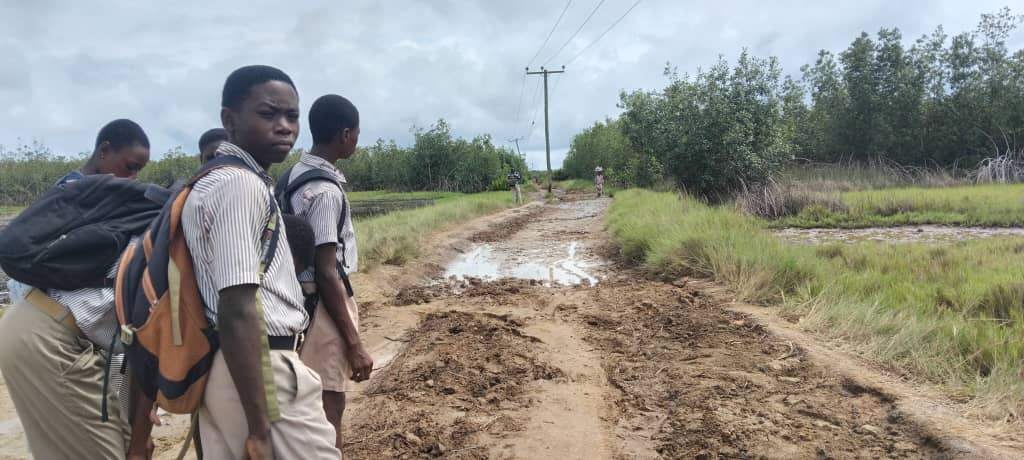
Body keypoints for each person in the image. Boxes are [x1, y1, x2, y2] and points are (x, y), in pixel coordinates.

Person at [172, 65, 339, 459]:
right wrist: (260, 427)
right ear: (229, 120)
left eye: (292, 116)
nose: (284, 126)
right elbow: (238, 307)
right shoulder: (238, 185)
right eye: (268, 114)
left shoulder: (213, 180)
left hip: (231, 365)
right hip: (264, 369)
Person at [0, 119, 151, 459]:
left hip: (63, 334)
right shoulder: (77, 195)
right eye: (129, 167)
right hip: (50, 331)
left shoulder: (95, 197)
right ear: (103, 150)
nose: (132, 179)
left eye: (138, 171)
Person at [279, 94, 373, 450]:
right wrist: (355, 343)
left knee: (304, 399)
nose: (357, 140)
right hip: (322, 305)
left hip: (297, 301)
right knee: (329, 402)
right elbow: (327, 271)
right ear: (345, 134)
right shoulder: (324, 192)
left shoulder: (293, 175)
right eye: (357, 134)